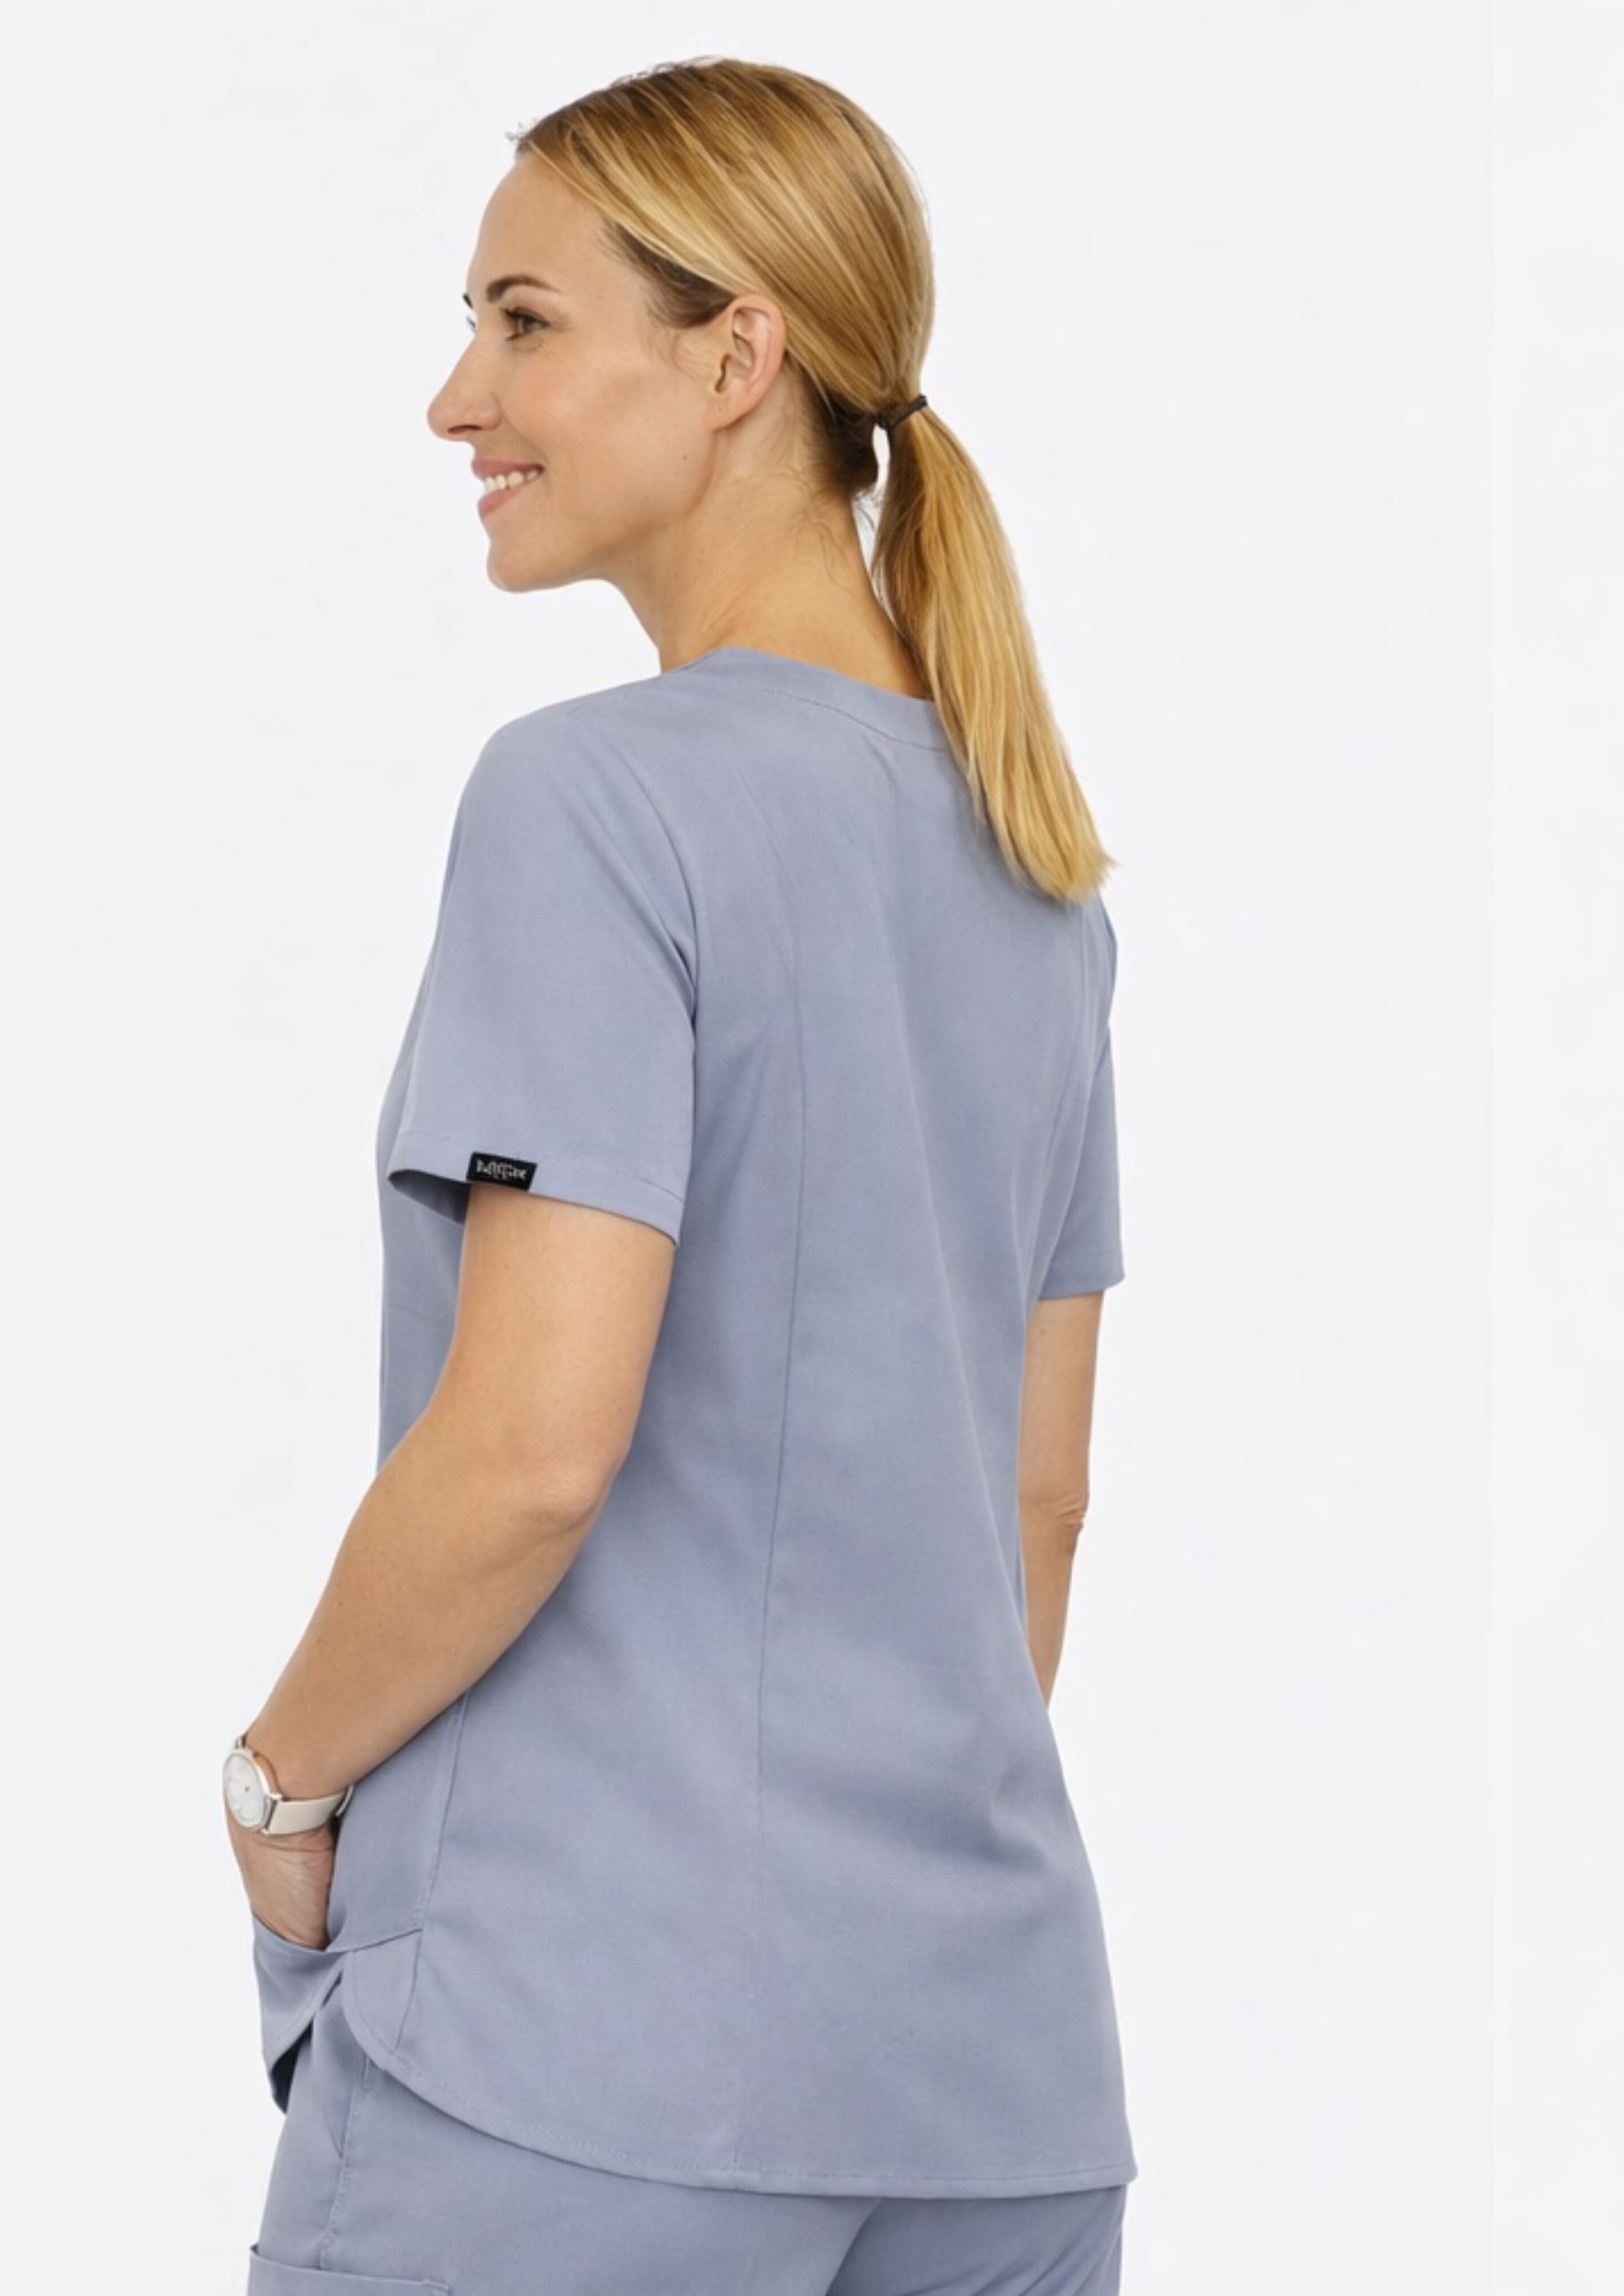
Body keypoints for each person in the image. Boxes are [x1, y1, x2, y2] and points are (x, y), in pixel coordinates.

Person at [222, 55, 1138, 2296]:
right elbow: (1033, 1506)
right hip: (990, 2084)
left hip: (582, 2067)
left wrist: (279, 1777)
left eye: (523, 322)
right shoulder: (1037, 878)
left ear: (738, 355)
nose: (458, 397)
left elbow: (533, 1449)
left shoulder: (595, 802)